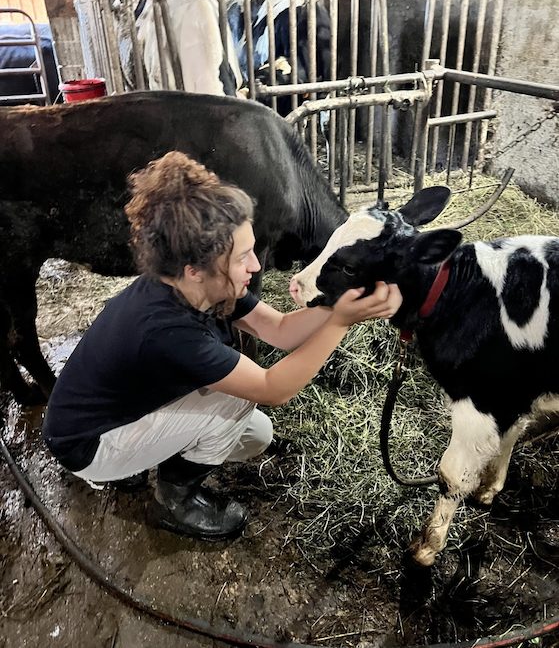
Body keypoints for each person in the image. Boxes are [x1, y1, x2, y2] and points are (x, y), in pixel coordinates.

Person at [42, 151, 402, 542]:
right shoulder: (167, 329)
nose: (256, 267)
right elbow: (272, 388)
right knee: (236, 401)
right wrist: (340, 323)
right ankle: (174, 500)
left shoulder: (194, 284)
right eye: (243, 257)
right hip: (88, 445)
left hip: (112, 412)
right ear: (195, 269)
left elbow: (279, 329)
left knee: (255, 435)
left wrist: (340, 302)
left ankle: (150, 459)